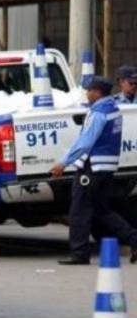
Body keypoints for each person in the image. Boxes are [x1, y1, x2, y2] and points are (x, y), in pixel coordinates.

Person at [50, 76, 137, 265]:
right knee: (101, 210)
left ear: (97, 92)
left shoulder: (98, 112)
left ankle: (79, 253)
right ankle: (134, 239)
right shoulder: (113, 108)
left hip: (93, 168)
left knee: (79, 211)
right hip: (106, 168)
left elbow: (85, 142)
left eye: (89, 90)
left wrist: (63, 163)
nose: (87, 94)